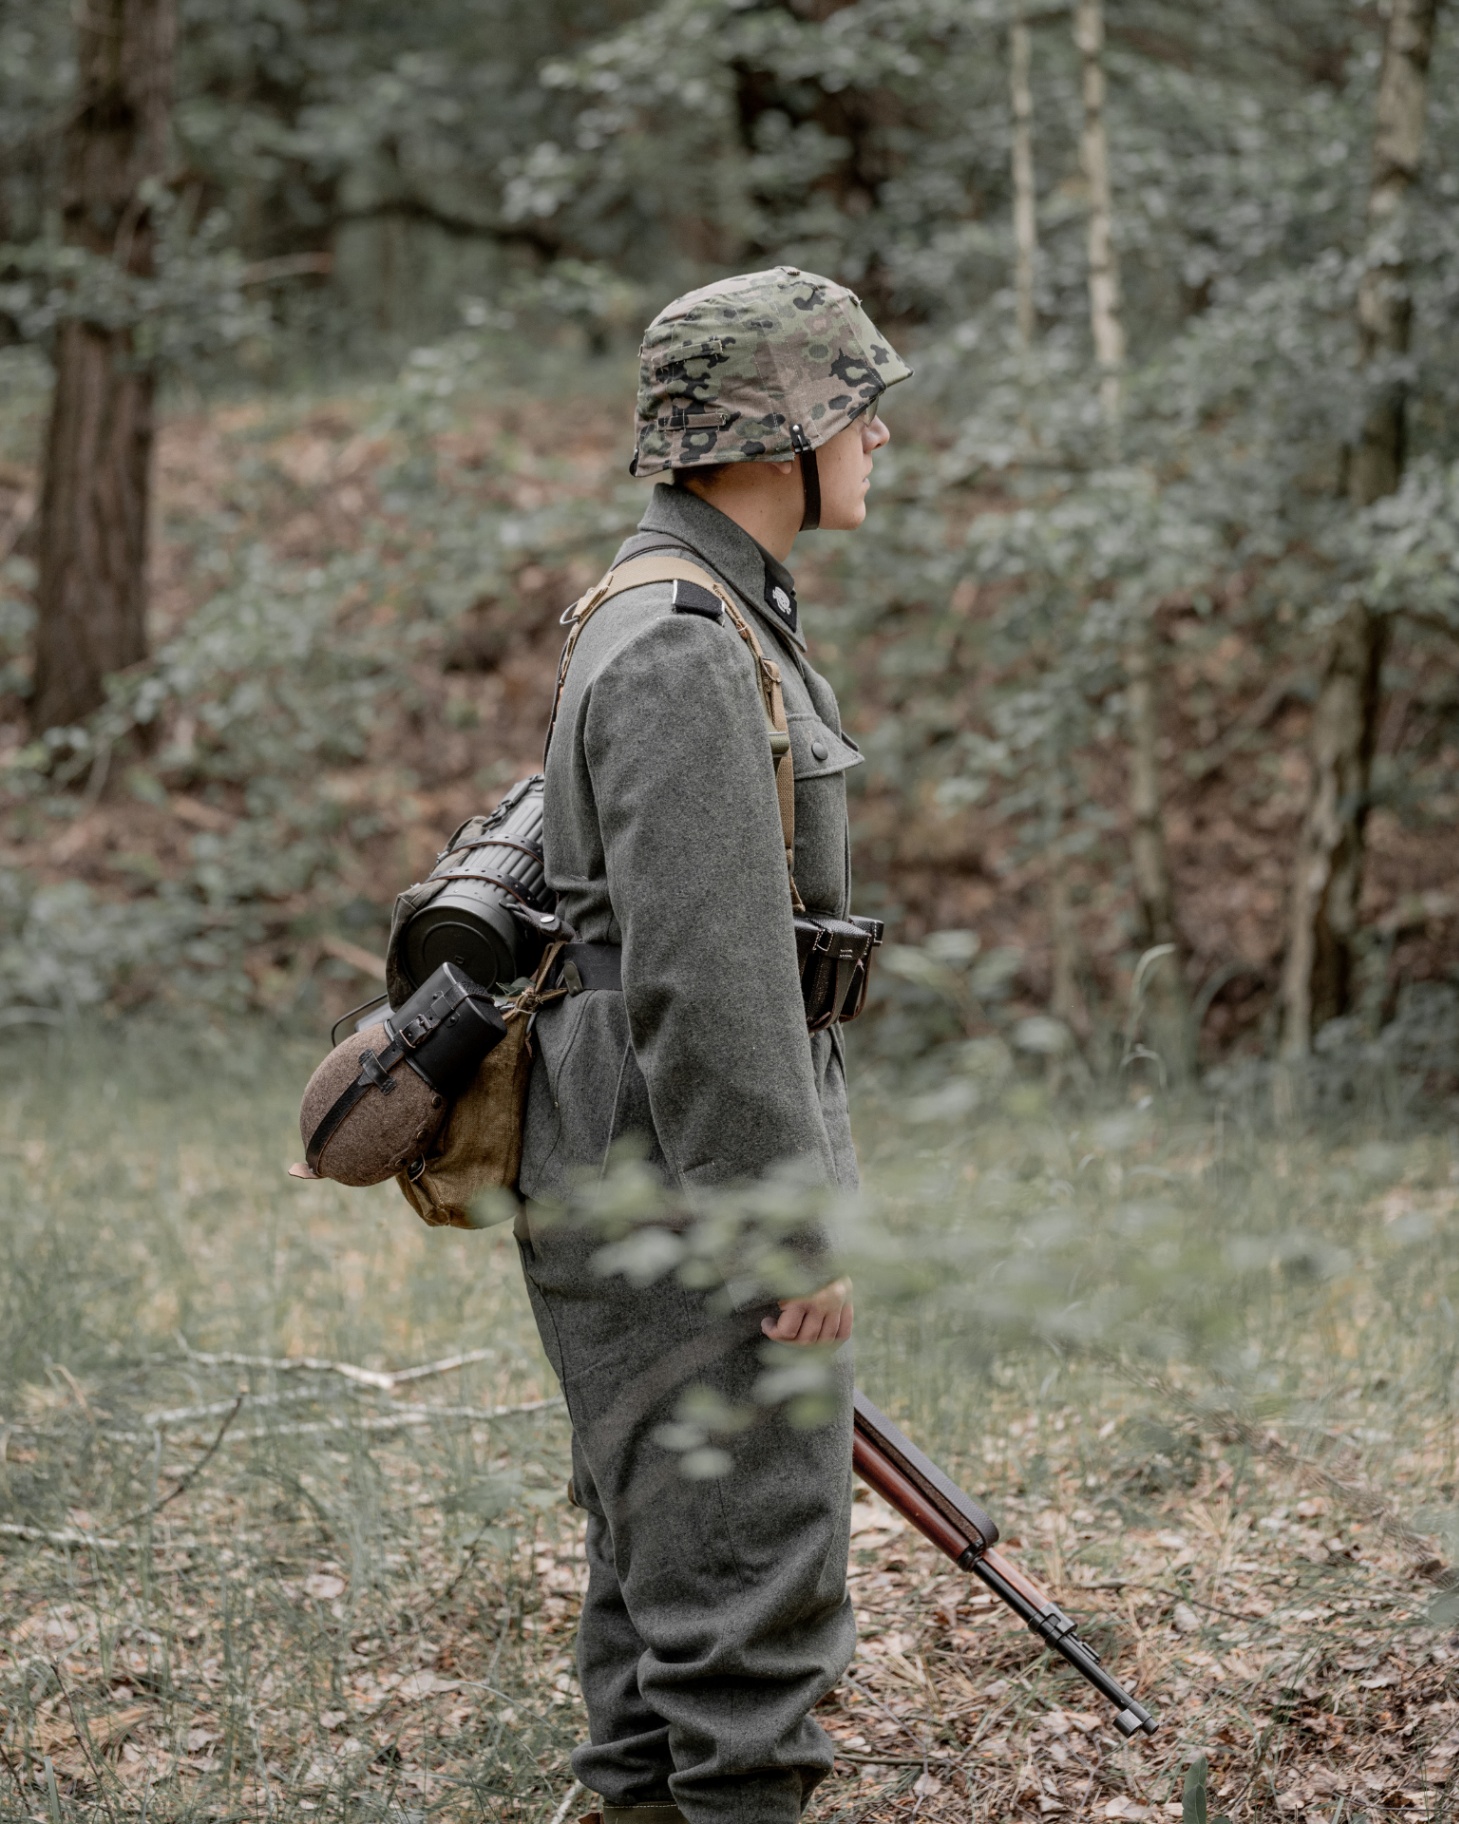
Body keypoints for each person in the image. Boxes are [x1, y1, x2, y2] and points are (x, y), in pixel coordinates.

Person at [514, 266, 911, 1824]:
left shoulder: (685, 607)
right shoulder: (682, 639)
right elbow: (705, 973)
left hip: (639, 1167)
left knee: (658, 1581)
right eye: (858, 407)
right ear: (780, 432)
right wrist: (778, 1223)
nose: (880, 440)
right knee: (742, 1593)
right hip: (684, 1189)